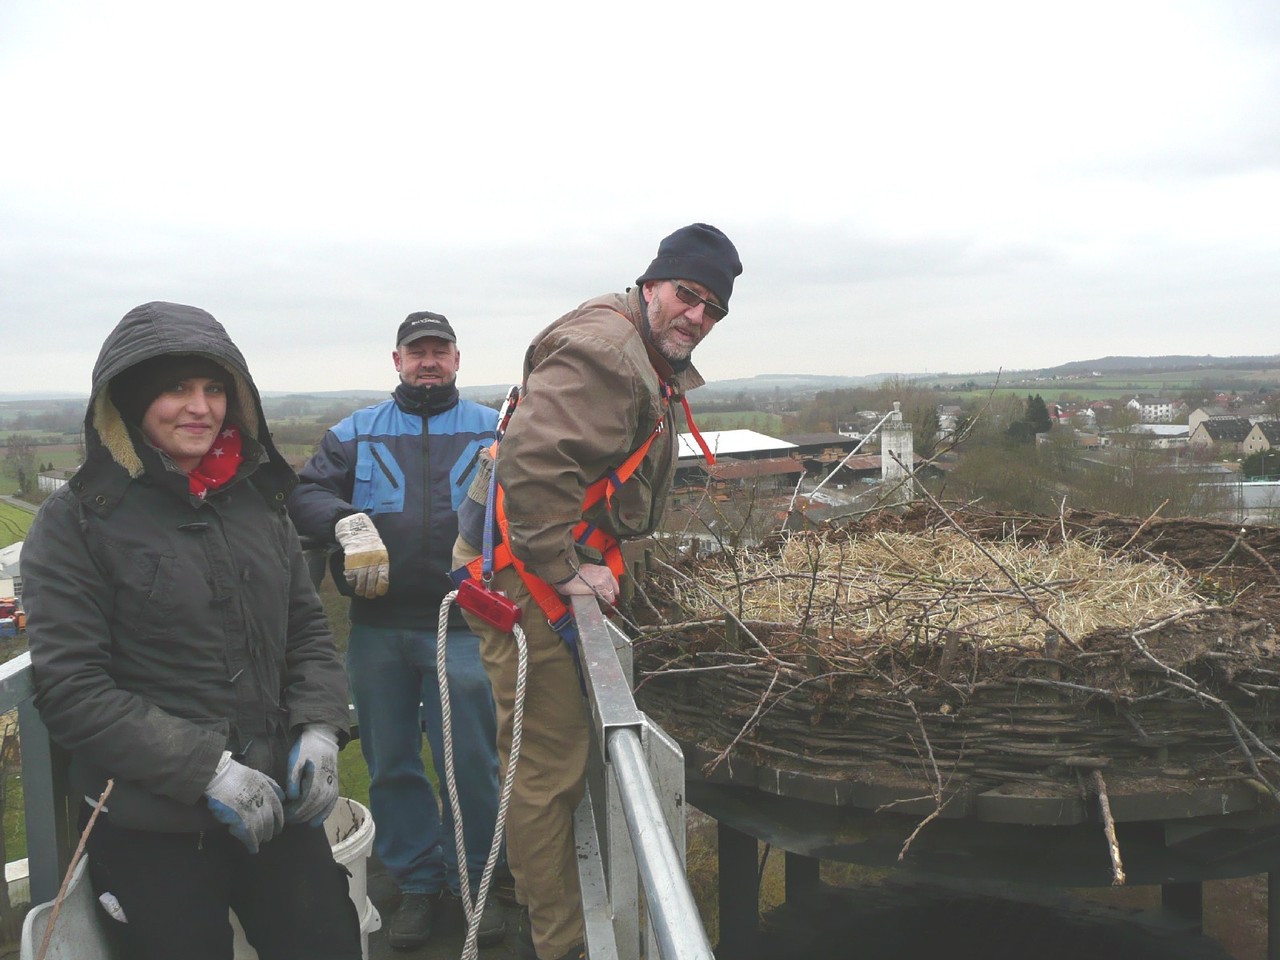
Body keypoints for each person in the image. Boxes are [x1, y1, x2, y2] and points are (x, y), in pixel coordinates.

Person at [22, 301, 362, 960]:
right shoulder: (78, 524)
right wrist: (206, 770)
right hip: (152, 823)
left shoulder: (259, 504)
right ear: (129, 401)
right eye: (176, 388)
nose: (199, 406)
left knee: (328, 943)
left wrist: (321, 723)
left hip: (272, 808)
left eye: (213, 389)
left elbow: (307, 632)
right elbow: (71, 688)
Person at [452, 223, 743, 960]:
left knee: (559, 755)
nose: (697, 317)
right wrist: (562, 566)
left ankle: (548, 907)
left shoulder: (637, 349)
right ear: (652, 284)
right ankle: (562, 942)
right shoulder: (610, 352)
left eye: (713, 309)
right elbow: (536, 463)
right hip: (528, 579)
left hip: (541, 567)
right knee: (549, 767)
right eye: (688, 295)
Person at [287, 311, 505, 949]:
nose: (428, 361)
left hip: (466, 624)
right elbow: (304, 494)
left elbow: (539, 496)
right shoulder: (355, 433)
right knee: (391, 765)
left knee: (472, 763)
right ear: (397, 361)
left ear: (458, 360)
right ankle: (416, 884)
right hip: (378, 629)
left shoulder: (496, 430)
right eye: (418, 352)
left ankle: (475, 886)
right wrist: (344, 522)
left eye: (440, 351)